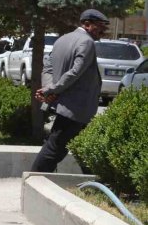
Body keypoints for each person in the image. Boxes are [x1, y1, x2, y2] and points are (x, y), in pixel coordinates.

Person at [31, 9, 107, 173]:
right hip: (75, 109)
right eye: (100, 26)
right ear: (87, 24)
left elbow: (48, 69)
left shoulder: (62, 40)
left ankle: (92, 181)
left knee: (84, 147)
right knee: (54, 148)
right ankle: (35, 178)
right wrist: (51, 90)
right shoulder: (87, 42)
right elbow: (75, 72)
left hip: (68, 106)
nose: (104, 31)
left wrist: (49, 89)